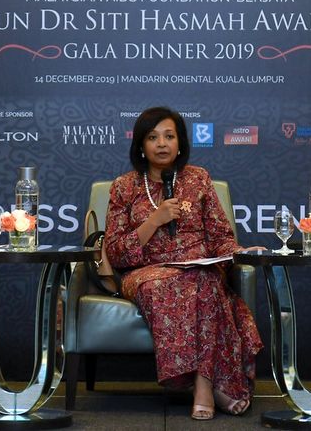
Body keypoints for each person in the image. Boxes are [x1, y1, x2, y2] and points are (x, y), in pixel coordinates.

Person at [104, 106, 264, 421]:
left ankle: (202, 385)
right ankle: (209, 386)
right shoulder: (124, 187)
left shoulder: (199, 179)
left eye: (169, 136)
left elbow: (220, 236)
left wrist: (239, 251)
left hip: (200, 266)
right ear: (140, 144)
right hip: (146, 273)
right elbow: (117, 252)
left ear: (180, 142)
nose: (161, 144)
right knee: (177, 284)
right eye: (152, 137)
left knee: (203, 280)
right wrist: (154, 220)